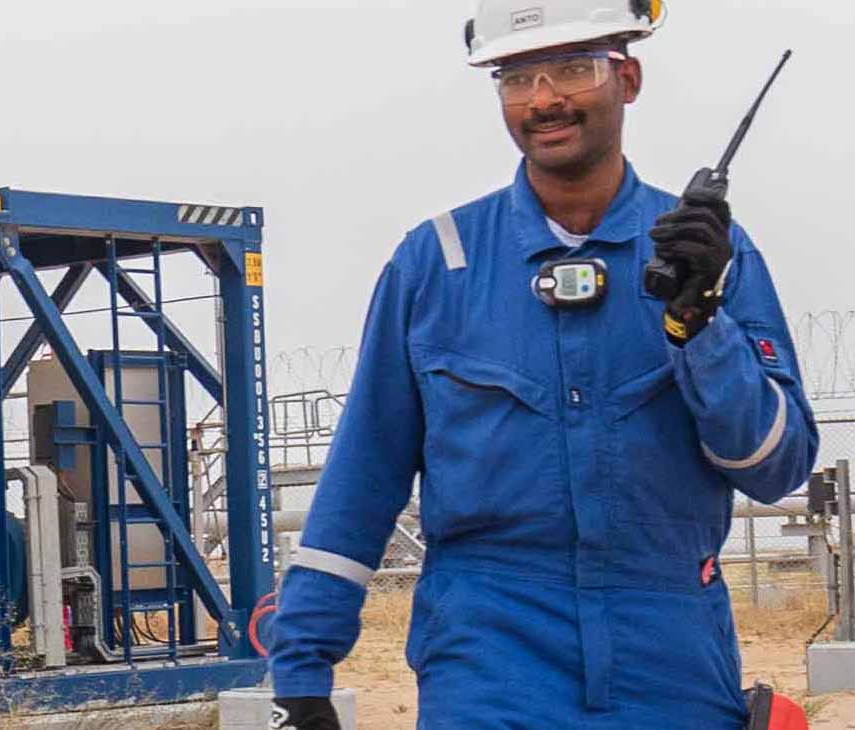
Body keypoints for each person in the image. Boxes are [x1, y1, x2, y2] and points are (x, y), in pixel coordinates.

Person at [267, 1, 819, 728]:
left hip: (671, 659)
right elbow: (362, 474)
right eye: (517, 77)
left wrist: (701, 325)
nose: (545, 98)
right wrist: (302, 666)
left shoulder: (710, 258)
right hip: (489, 659)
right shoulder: (437, 266)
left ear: (629, 79)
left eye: (572, 68)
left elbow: (777, 468)